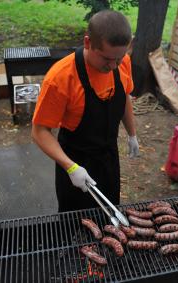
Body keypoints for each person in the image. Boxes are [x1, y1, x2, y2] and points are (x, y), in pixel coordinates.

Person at [32, 10, 139, 212]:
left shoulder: (121, 62)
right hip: (75, 161)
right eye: (107, 59)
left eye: (119, 58)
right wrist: (71, 167)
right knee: (75, 223)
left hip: (108, 157)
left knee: (110, 214)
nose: (114, 65)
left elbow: (124, 96)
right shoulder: (60, 78)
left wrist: (132, 134)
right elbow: (39, 132)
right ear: (88, 43)